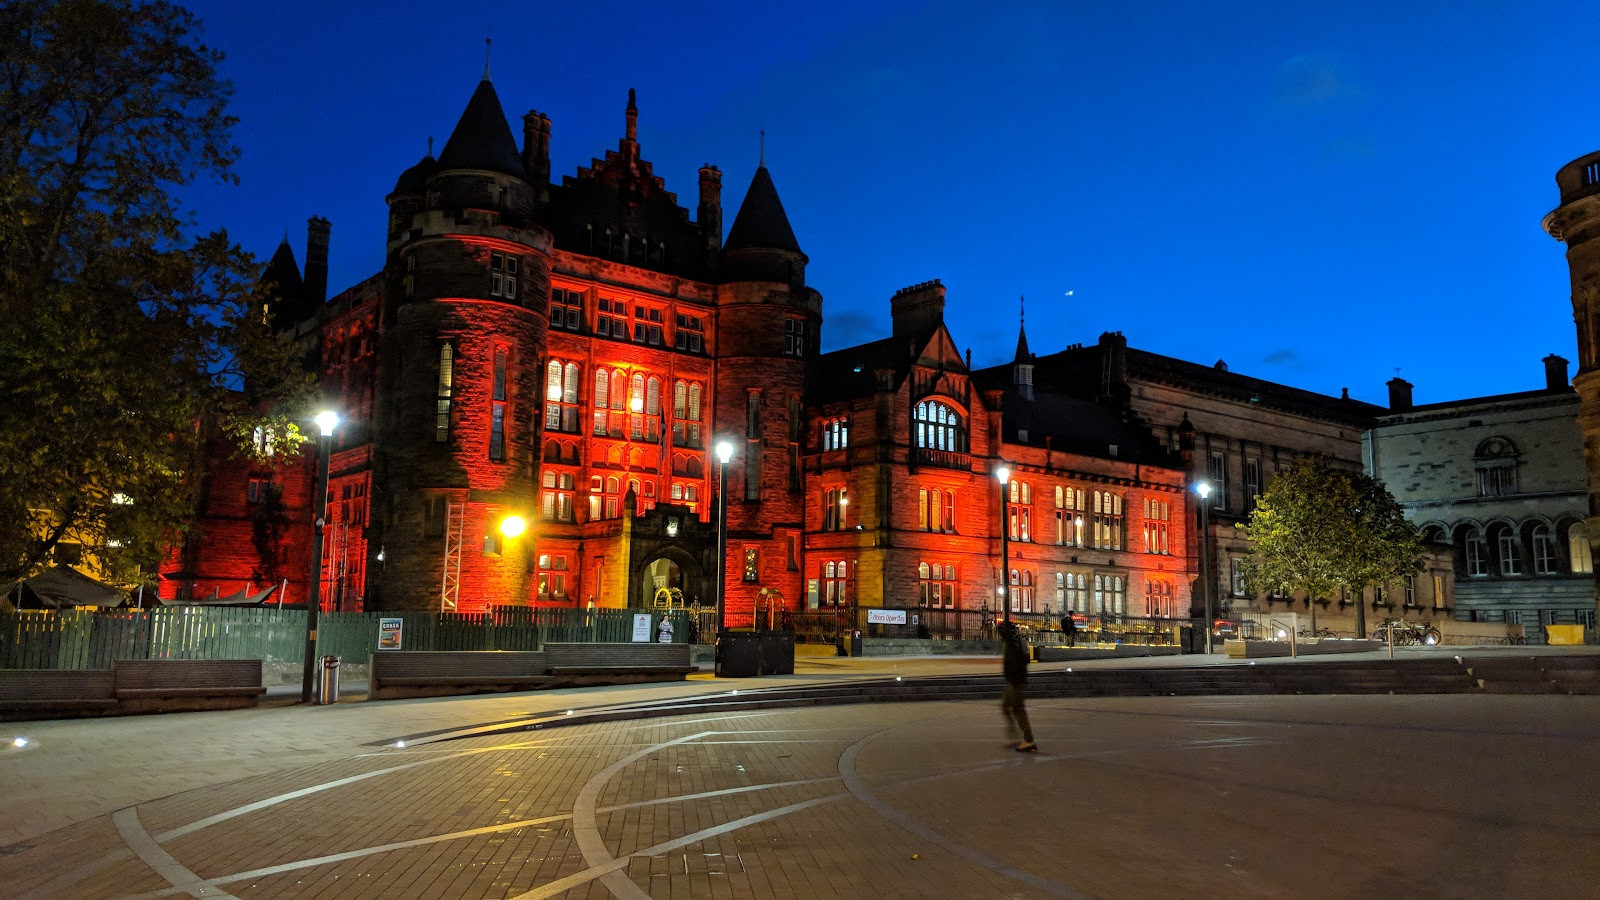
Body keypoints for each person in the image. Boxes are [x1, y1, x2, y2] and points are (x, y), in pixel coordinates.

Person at [998, 621, 1037, 752]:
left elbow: (1018, 662)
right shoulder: (1016, 642)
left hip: (1015, 681)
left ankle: (1029, 740)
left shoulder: (1013, 644)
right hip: (1013, 680)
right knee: (1006, 706)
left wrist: (1015, 677)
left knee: (1018, 709)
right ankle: (1015, 737)